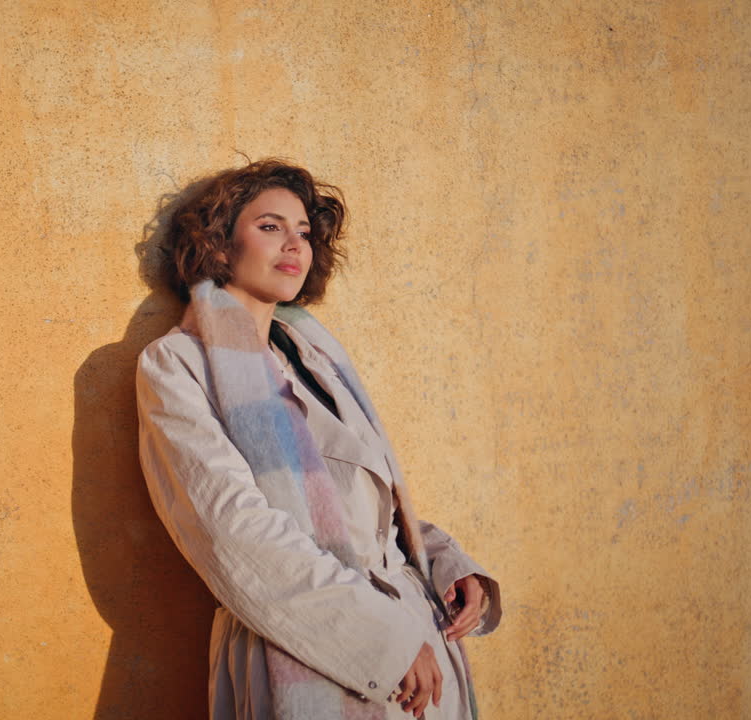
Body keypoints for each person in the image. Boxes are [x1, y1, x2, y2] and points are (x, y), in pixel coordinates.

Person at [135, 159, 502, 720]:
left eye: (304, 232)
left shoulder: (316, 360)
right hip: (314, 654)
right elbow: (232, 533)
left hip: (419, 647)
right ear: (218, 244)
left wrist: (450, 566)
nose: (295, 245)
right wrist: (380, 641)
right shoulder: (177, 364)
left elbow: (368, 511)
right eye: (270, 227)